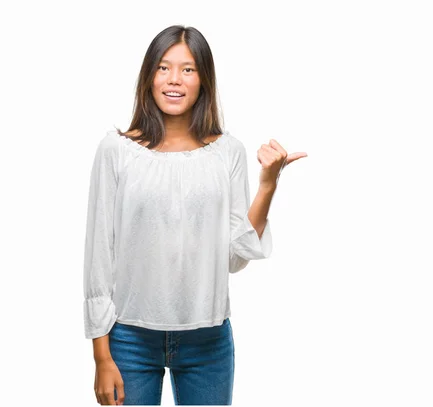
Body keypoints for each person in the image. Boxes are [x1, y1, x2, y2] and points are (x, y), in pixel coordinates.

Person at [82, 25, 307, 406]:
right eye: (164, 68)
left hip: (209, 340)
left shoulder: (227, 152)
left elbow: (235, 257)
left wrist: (267, 186)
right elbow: (99, 255)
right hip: (130, 338)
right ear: (149, 75)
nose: (174, 80)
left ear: (204, 79)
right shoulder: (116, 151)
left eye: (188, 69)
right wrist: (101, 355)